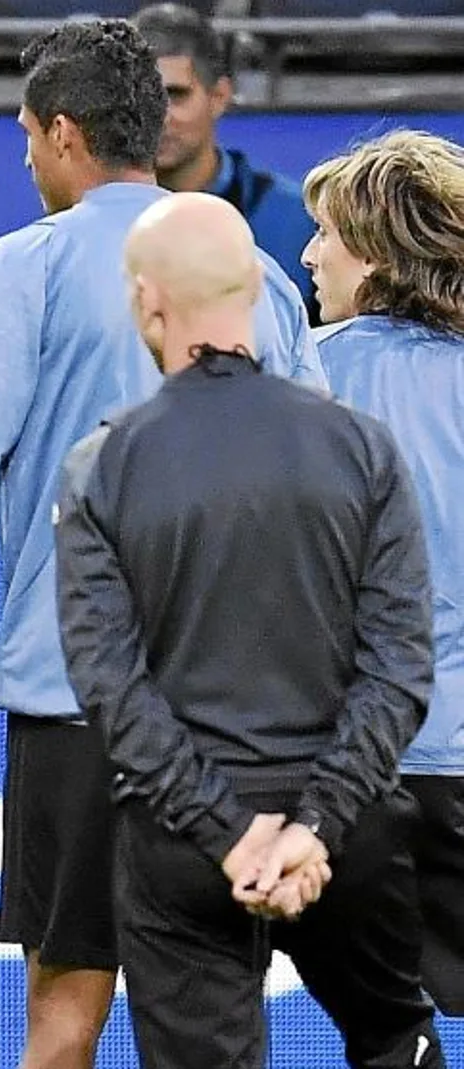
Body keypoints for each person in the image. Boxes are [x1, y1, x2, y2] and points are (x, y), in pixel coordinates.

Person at [0, 20, 323, 1069]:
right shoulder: (260, 280)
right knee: (214, 1010)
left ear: (62, 132)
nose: (23, 159)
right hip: (233, 710)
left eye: (26, 136)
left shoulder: (21, 267)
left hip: (80, 702)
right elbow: (320, 493)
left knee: (64, 1011)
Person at [55, 190, 444, 1069]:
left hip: (180, 847)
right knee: (394, 1039)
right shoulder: (360, 447)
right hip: (350, 834)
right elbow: (399, 667)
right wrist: (314, 826)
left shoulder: (102, 465)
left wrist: (228, 831)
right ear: (256, 293)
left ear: (148, 300)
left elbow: (108, 686)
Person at [306, 130, 464, 1017]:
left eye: (323, 233)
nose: (307, 255)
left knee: (387, 1034)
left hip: (352, 773)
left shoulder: (297, 382)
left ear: (371, 250)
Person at [132, 2, 319, 321]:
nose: (158, 116)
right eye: (141, 96)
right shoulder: (94, 221)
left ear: (219, 96)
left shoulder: (298, 220)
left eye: (175, 95)